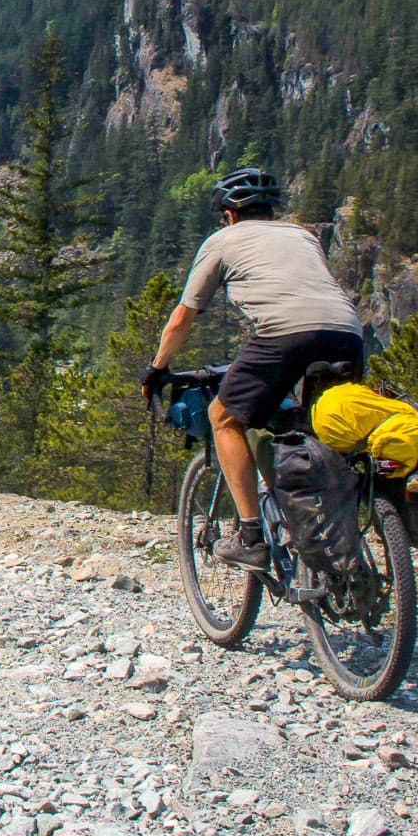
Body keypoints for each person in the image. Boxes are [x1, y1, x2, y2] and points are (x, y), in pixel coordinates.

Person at [139, 167, 365, 569]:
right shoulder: (303, 236)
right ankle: (331, 536)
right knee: (319, 429)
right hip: (348, 332)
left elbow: (181, 318)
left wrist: (157, 368)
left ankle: (251, 537)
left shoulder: (222, 241)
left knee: (223, 417)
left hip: (284, 336)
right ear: (271, 211)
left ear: (228, 215)